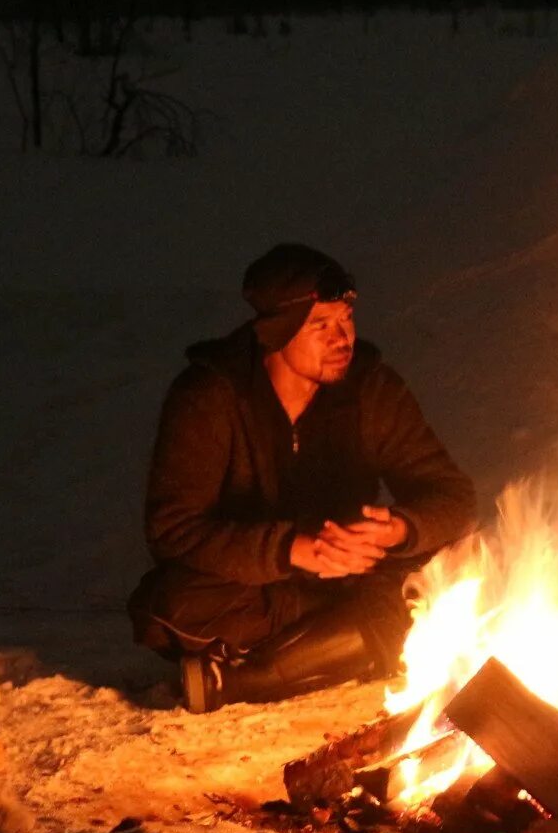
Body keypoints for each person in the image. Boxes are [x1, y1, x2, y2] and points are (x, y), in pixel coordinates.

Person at [129, 244, 478, 712]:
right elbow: (173, 529)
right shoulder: (211, 395)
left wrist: (396, 529)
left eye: (346, 320)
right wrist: (292, 550)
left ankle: (240, 679)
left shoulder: (372, 389)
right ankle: (353, 643)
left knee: (465, 558)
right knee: (169, 605)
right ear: (277, 332)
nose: (342, 339)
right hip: (262, 585)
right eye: (320, 326)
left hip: (354, 576)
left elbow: (451, 494)